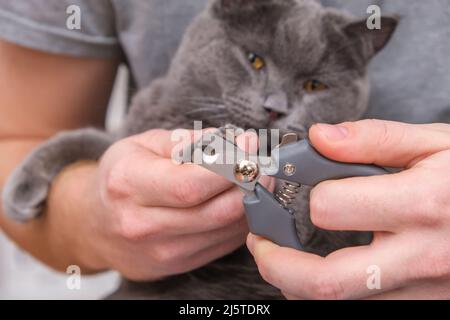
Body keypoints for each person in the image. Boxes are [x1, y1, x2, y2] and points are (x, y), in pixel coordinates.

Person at [0, 0, 448, 299]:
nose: (275, 105)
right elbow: (23, 133)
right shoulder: (161, 110)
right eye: (256, 62)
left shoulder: (338, 164)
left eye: (312, 85)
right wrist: (88, 216)